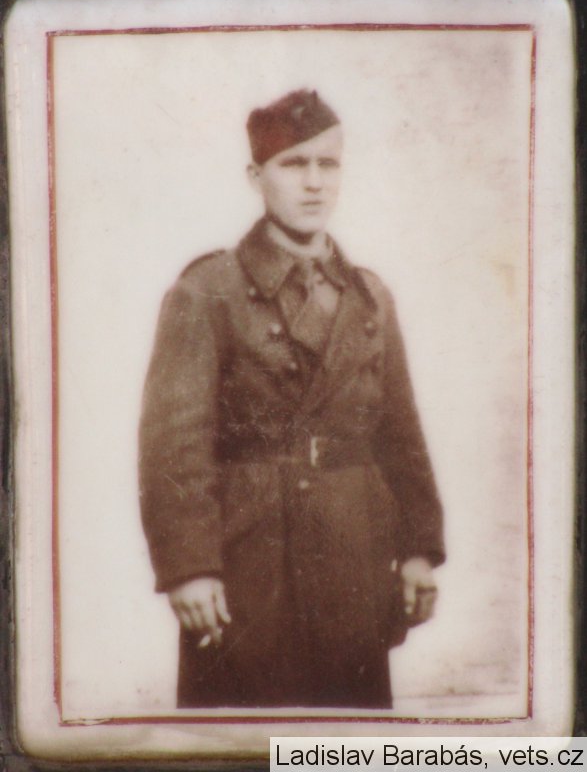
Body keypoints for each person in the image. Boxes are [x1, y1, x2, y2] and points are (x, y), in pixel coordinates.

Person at [139, 89, 445, 709]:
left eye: (327, 164)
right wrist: (190, 567)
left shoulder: (369, 297)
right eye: (293, 164)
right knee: (244, 738)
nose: (313, 183)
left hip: (354, 558)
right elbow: (174, 444)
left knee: (343, 738)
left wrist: (418, 549)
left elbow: (401, 435)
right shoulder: (208, 290)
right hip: (249, 563)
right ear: (256, 177)